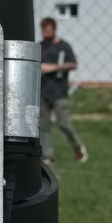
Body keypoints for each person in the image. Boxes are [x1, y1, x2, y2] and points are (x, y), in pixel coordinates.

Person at [38, 17, 87, 164]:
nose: (45, 34)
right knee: (44, 125)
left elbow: (73, 64)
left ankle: (77, 146)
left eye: (48, 31)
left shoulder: (64, 46)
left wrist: (54, 67)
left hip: (59, 92)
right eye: (43, 31)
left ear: (54, 30)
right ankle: (47, 155)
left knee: (63, 123)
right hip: (42, 91)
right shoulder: (40, 47)